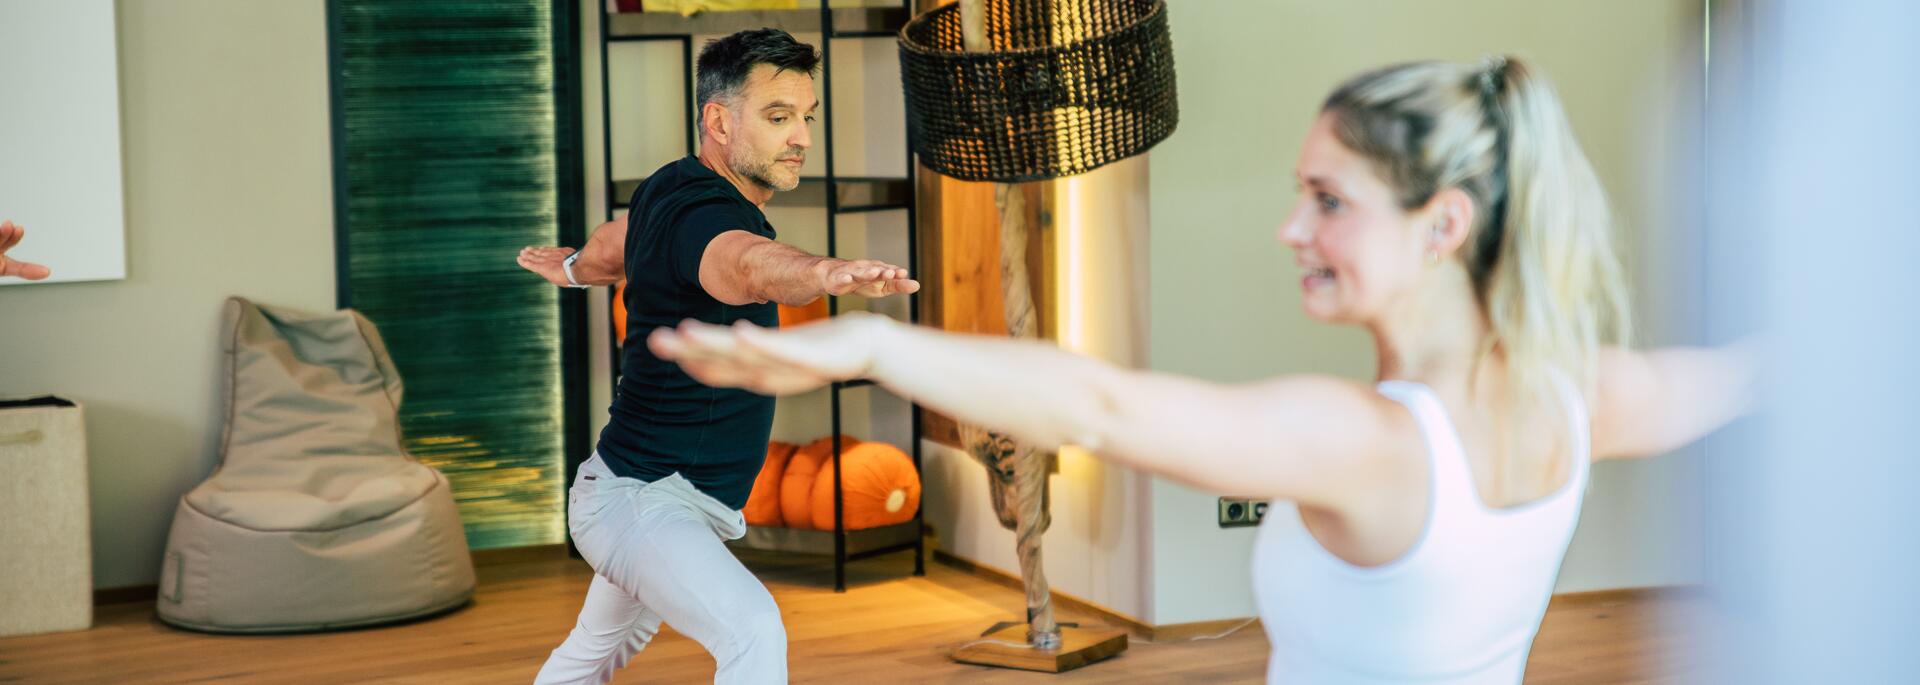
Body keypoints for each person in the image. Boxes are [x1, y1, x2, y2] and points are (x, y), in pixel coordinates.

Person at [648, 56, 1757, 684]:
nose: (1290, 228)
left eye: (1329, 201)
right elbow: (1746, 374)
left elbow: (1098, 399)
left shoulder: (1371, 445)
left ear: (1443, 224)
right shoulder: (1580, 394)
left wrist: (877, 342)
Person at [517, 28, 916, 685]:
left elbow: (616, 243)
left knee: (593, 652)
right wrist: (824, 272)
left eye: (807, 117)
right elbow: (750, 267)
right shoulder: (710, 219)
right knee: (752, 629)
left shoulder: (669, 187)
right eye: (779, 117)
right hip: (646, 501)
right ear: (718, 121)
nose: (803, 138)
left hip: (643, 493)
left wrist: (573, 268)